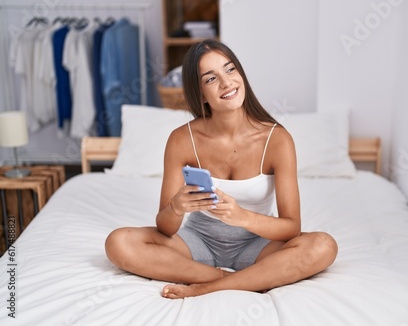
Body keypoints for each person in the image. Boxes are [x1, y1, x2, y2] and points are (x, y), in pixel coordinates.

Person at [105, 39, 338, 299]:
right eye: (210, 78)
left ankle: (206, 288)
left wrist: (241, 216)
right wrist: (176, 207)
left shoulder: (278, 140)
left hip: (257, 244)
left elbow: (291, 228)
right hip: (197, 242)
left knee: (323, 246)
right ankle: (229, 278)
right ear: (200, 93)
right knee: (119, 242)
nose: (226, 83)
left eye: (230, 70)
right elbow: (165, 228)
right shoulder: (182, 139)